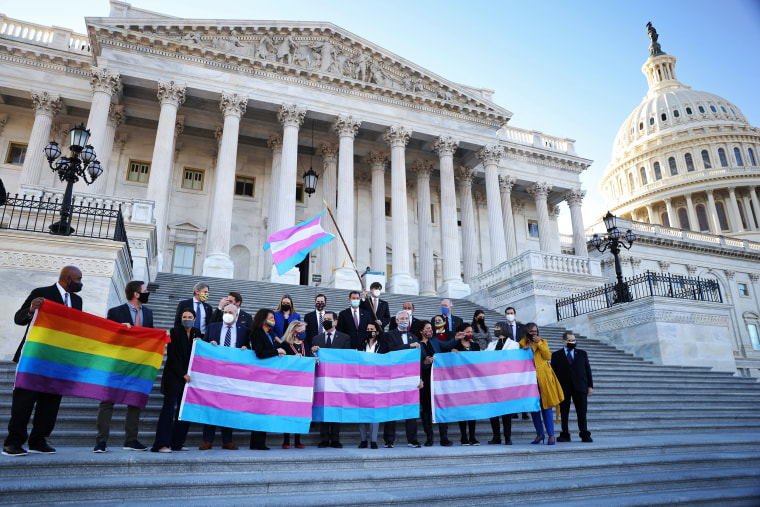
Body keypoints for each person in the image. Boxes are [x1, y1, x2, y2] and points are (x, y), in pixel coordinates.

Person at [3, 266, 83, 457]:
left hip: (58, 361)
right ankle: (13, 443)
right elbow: (19, 318)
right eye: (78, 279)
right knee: (24, 402)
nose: (80, 283)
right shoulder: (42, 293)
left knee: (50, 405)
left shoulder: (77, 300)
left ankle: (38, 441)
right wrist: (31, 309)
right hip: (35, 358)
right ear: (66, 278)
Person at [94, 280, 155, 453]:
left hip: (139, 364)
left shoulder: (149, 313)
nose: (147, 292)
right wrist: (119, 329)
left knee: (135, 401)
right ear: (136, 294)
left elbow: (150, 336)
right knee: (107, 401)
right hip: (117, 363)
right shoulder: (115, 312)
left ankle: (131, 440)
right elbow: (107, 336)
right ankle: (101, 441)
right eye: (145, 290)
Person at [198, 304, 251, 451]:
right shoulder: (212, 327)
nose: (227, 314)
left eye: (230, 312)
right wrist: (209, 344)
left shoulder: (244, 330)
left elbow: (248, 349)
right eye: (225, 311)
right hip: (214, 372)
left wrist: (246, 349)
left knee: (229, 406)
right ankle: (208, 439)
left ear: (236, 316)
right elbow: (203, 346)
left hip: (233, 374)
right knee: (211, 405)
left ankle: (227, 440)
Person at [151, 307, 202, 452]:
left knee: (183, 410)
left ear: (195, 319)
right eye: (184, 317)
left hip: (189, 378)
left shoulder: (196, 333)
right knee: (168, 410)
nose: (187, 319)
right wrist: (182, 374)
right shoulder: (174, 332)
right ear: (181, 319)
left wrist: (204, 343)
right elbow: (172, 356)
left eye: (189, 317)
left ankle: (177, 443)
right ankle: (161, 444)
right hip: (174, 376)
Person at [311, 311, 351, 448]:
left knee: (335, 408)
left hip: (338, 379)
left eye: (329, 319)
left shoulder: (345, 338)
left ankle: (335, 438)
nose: (326, 321)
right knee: (323, 408)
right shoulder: (316, 338)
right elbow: (313, 358)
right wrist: (313, 352)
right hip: (322, 379)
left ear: (335, 322)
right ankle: (324, 439)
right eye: (324, 319)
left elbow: (346, 358)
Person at [520, 323, 564, 445]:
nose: (534, 333)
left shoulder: (543, 341)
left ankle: (551, 435)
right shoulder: (522, 343)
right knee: (534, 408)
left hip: (543, 378)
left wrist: (539, 343)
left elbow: (547, 356)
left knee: (547, 407)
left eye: (536, 331)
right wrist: (523, 350)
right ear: (527, 332)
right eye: (532, 331)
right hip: (529, 380)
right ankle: (540, 434)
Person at [383, 310, 422, 448]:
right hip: (393, 377)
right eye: (402, 318)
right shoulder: (389, 335)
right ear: (396, 320)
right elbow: (390, 350)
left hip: (409, 377)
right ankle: (389, 440)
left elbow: (417, 360)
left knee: (410, 409)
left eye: (407, 318)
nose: (405, 320)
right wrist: (408, 346)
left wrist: (420, 378)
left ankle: (412, 440)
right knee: (391, 408)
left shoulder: (414, 337)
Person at [249, 308, 286, 450]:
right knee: (260, 410)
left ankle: (259, 442)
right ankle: (257, 442)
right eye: (271, 317)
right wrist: (276, 351)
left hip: (268, 378)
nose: (273, 320)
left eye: (274, 318)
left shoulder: (269, 334)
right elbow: (260, 353)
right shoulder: (257, 333)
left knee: (263, 410)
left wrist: (277, 352)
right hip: (260, 377)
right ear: (263, 319)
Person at [551, 331, 594, 443]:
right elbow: (553, 374)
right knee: (564, 413)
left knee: (582, 412)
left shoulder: (582, 354)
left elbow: (588, 370)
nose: (572, 342)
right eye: (570, 340)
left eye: (574, 340)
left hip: (580, 387)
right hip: (563, 388)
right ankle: (565, 434)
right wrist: (554, 388)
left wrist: (590, 386)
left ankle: (584, 434)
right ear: (564, 341)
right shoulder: (556, 355)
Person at [356, 322, 389, 449]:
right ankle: (363, 439)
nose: (369, 331)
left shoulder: (383, 345)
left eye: (372, 329)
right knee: (362, 410)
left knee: (375, 411)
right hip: (362, 381)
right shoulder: (360, 344)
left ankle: (373, 440)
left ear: (378, 331)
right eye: (368, 329)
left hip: (377, 381)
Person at [486, 324, 519, 445]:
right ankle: (496, 436)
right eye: (494, 328)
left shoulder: (514, 345)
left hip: (506, 382)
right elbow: (484, 359)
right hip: (493, 383)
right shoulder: (491, 345)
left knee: (506, 411)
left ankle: (507, 436)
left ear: (504, 329)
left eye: (497, 328)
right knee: (493, 412)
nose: (495, 330)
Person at [281, 321, 311, 449]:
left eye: (305, 331)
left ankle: (298, 439)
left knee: (300, 411)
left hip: (303, 383)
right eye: (302, 331)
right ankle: (286, 440)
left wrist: (313, 358)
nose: (304, 333)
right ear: (294, 331)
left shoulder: (306, 344)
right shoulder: (285, 345)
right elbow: (282, 362)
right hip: (289, 383)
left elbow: (309, 357)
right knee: (288, 411)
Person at [454, 324, 480, 446]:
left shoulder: (476, 346)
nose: (470, 333)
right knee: (462, 410)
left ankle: (472, 436)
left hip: (473, 382)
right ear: (461, 333)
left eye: (471, 331)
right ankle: (463, 436)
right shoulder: (455, 346)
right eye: (467, 331)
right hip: (460, 382)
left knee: (472, 410)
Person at [504, 307, 528, 420]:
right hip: (508, 360)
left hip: (520, 359)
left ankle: (524, 410)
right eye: (508, 313)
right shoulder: (503, 328)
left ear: (515, 314)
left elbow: (527, 340)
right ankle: (514, 410)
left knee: (521, 385)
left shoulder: (522, 327)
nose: (510, 315)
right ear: (505, 315)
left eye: (511, 313)